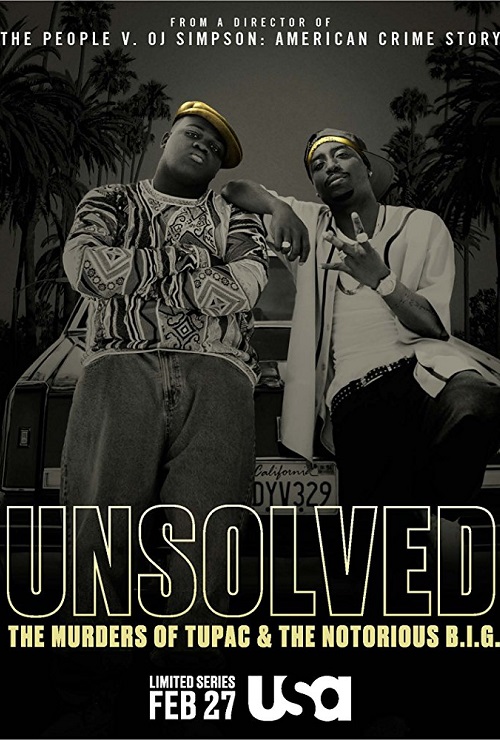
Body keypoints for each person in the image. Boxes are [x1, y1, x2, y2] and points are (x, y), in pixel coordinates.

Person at [44, 100, 268, 738]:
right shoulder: (110, 199)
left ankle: (187, 701)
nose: (203, 146)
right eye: (193, 133)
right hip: (117, 367)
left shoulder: (237, 216)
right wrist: (195, 269)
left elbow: (243, 287)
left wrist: (138, 271)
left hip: (220, 375)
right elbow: (86, 268)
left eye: (215, 147)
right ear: (167, 138)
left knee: (209, 547)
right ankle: (95, 701)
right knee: (100, 535)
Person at [221, 127, 500, 543]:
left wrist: (382, 280)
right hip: (356, 391)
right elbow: (233, 188)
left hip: (424, 372)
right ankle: (418, 534)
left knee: (476, 401)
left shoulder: (421, 225)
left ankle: (435, 514)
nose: (330, 166)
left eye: (342, 155)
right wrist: (278, 207)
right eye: (318, 165)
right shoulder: (309, 224)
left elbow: (433, 325)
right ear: (316, 187)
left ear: (367, 167)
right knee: (375, 547)